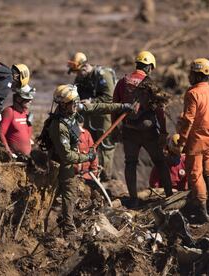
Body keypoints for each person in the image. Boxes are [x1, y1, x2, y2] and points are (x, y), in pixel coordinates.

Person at [45, 84, 134, 238]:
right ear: (64, 104)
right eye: (74, 103)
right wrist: (88, 157)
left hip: (73, 155)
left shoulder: (72, 108)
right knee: (69, 192)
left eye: (76, 103)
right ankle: (68, 229)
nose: (76, 105)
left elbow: (97, 107)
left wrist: (122, 107)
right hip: (61, 161)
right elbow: (67, 157)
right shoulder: (59, 126)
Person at [113, 50, 173, 207]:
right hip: (148, 131)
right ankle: (169, 196)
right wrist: (164, 132)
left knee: (130, 163)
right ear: (149, 67)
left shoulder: (122, 81)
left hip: (129, 129)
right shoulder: (150, 84)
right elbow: (160, 110)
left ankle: (133, 199)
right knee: (160, 162)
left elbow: (114, 106)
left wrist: (116, 128)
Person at [175, 58, 209, 223]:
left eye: (191, 73)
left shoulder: (192, 93)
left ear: (197, 75)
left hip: (196, 140)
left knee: (195, 174)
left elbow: (188, 120)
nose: (189, 76)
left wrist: (182, 140)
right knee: (208, 162)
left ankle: (202, 210)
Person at [67, 52, 116, 181]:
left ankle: (106, 179)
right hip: (88, 117)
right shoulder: (80, 78)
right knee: (90, 146)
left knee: (105, 146)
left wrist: (91, 102)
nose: (77, 76)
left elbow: (109, 98)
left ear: (85, 66)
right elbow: (75, 94)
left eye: (78, 72)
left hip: (104, 116)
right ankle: (90, 176)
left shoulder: (103, 75)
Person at [0, 85, 35, 158]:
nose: (30, 102)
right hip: (14, 157)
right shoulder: (9, 111)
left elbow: (26, 132)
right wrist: (8, 151)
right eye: (27, 100)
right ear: (18, 99)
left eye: (30, 100)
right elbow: (1, 133)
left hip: (27, 157)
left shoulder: (26, 112)